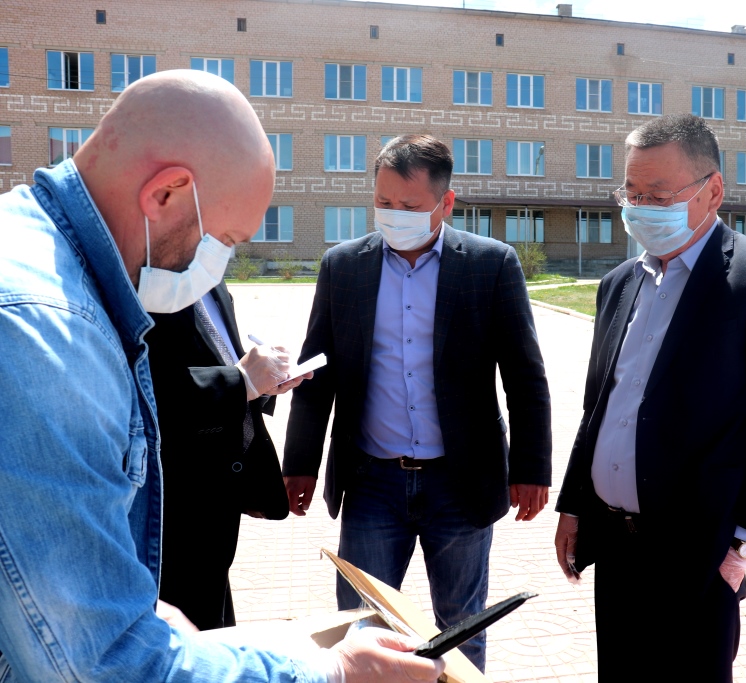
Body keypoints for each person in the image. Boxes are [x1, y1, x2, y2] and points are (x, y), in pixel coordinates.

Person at [0, 69, 443, 683]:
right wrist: (333, 672)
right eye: (222, 239)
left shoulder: (29, 241)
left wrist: (141, 607)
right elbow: (102, 663)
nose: (216, 264)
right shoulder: (46, 330)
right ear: (167, 193)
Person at [554, 113, 746, 682]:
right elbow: (599, 406)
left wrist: (744, 546)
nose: (640, 207)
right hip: (616, 547)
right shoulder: (619, 283)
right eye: (631, 193)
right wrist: (574, 507)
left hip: (700, 556)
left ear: (713, 190)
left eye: (658, 195)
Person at [283, 134, 553, 672]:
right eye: (383, 202)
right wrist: (299, 464)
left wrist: (530, 468)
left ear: (445, 203)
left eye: (408, 206)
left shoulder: (490, 265)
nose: (393, 215)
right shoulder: (344, 267)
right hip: (372, 483)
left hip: (461, 483)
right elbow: (317, 374)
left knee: (461, 627)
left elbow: (525, 375)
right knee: (360, 627)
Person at [148, 277, 305, 631]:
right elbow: (147, 391)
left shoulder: (212, 282)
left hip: (218, 507)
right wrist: (241, 381)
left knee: (215, 626)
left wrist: (263, 383)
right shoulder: (143, 281)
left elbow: (222, 360)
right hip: (172, 510)